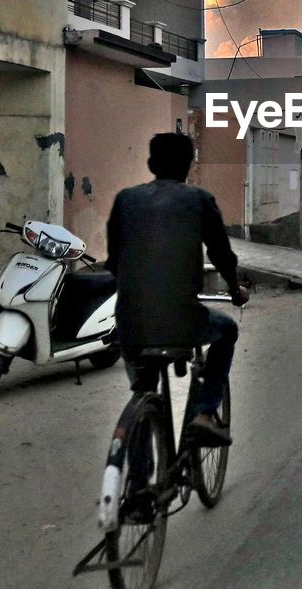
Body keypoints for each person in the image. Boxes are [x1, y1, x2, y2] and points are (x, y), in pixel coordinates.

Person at [106, 132, 248, 446]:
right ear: (189, 165)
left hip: (131, 325)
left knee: (144, 393)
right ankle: (205, 414)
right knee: (226, 331)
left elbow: (113, 262)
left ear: (150, 163)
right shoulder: (198, 200)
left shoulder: (125, 200)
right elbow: (222, 255)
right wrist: (235, 289)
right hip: (183, 322)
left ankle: (139, 486)